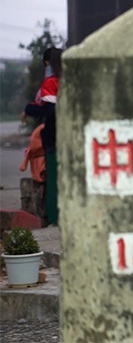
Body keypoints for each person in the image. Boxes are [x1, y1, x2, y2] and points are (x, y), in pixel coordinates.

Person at [21, 46, 63, 226]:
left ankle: (55, 217)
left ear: (48, 63)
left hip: (54, 137)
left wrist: (27, 109)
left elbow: (49, 109)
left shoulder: (51, 81)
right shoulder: (73, 78)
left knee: (53, 179)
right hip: (71, 137)